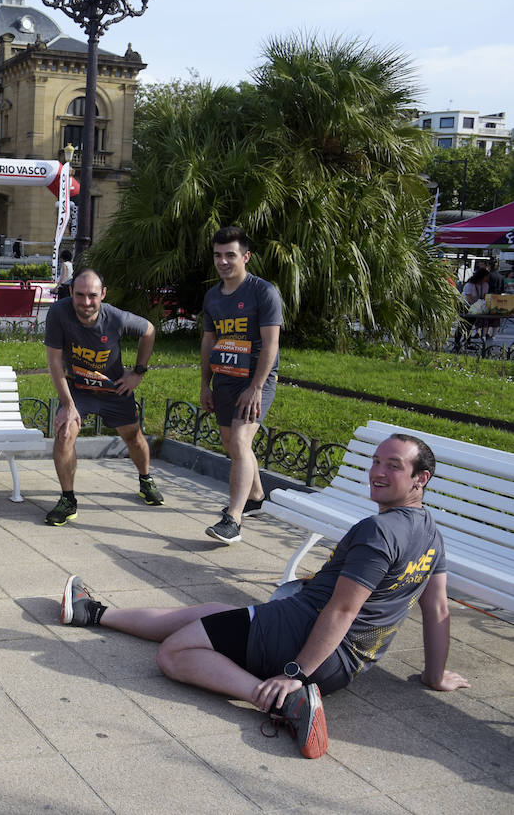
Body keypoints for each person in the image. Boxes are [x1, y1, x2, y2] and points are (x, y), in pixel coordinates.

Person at [57, 434, 469, 759]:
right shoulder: (432, 534)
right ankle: (92, 613)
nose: (377, 472)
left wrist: (295, 675)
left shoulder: (379, 532)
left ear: (421, 478)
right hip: (344, 667)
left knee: (175, 653)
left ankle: (279, 702)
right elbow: (437, 610)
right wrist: (434, 676)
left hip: (300, 641)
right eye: (376, 462)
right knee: (213, 613)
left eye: (393, 466)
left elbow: (342, 610)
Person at [44, 268, 163, 525]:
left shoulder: (116, 318)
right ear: (71, 292)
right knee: (64, 433)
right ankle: (67, 499)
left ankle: (145, 479)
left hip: (113, 389)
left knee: (133, 436)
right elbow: (54, 363)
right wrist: (67, 405)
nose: (86, 302)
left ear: (103, 294)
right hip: (78, 389)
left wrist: (138, 372)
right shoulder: (58, 313)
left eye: (92, 296)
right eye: (80, 295)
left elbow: (149, 330)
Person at [201, 225, 283, 545]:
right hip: (223, 378)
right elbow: (209, 342)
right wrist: (205, 385)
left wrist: (256, 387)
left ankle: (233, 519)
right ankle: (256, 497)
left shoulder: (263, 292)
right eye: (218, 255)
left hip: (256, 381)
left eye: (230, 255)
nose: (223, 261)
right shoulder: (212, 296)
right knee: (234, 445)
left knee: (239, 440)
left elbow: (271, 344)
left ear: (245, 257)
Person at [462, 267, 497, 340]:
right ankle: (457, 342)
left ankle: (467, 342)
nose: (487, 278)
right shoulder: (470, 284)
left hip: (476, 307)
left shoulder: (485, 285)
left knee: (470, 325)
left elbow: (484, 296)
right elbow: (469, 296)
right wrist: (476, 306)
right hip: (466, 305)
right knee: (463, 324)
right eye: (486, 277)